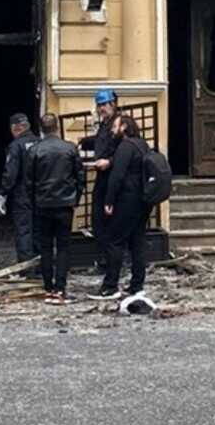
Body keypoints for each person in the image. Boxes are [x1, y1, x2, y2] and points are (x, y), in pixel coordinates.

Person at [89, 111, 150, 300]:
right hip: (142, 201)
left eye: (115, 127)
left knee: (114, 241)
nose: (112, 130)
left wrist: (108, 201)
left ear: (124, 127)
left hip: (127, 200)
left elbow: (117, 176)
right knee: (137, 242)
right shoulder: (142, 144)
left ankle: (110, 287)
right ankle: (137, 285)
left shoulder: (125, 146)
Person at [28, 113, 84, 303]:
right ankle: (60, 288)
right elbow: (79, 177)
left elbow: (29, 181)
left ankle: (48, 288)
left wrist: (33, 202)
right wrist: (75, 199)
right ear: (57, 126)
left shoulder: (35, 150)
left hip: (43, 204)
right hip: (64, 204)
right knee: (63, 246)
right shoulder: (70, 149)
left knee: (45, 247)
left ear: (41, 129)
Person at [83, 88, 119, 272]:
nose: (101, 109)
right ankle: (104, 261)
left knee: (109, 222)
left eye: (104, 105)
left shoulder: (119, 124)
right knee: (98, 221)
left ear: (113, 104)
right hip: (103, 178)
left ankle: (111, 264)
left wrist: (109, 162)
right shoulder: (105, 124)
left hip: (114, 180)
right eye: (99, 105)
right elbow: (100, 143)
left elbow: (125, 152)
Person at [0, 112, 39, 264]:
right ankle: (40, 267)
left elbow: (10, 174)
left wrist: (2, 195)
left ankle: (26, 269)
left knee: (24, 230)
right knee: (38, 230)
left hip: (22, 194)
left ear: (15, 129)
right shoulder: (40, 142)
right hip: (41, 193)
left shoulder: (15, 147)